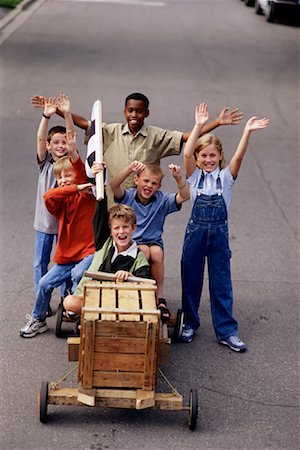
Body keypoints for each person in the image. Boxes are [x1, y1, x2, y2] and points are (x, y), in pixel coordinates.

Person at [31, 93, 244, 207]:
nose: (134, 115)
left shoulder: (156, 136)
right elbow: (86, 124)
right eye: (130, 110)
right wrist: (57, 111)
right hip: (111, 200)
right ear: (124, 111)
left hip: (142, 202)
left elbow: (188, 137)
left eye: (139, 111)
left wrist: (217, 122)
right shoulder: (110, 131)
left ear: (146, 113)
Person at [180, 103, 270, 351]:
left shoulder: (226, 178)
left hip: (218, 236)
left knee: (221, 282)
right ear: (198, 160)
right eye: (204, 156)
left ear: (220, 156)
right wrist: (198, 125)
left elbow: (239, 156)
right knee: (191, 280)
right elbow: (185, 154)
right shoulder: (194, 177)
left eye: (212, 155)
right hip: (195, 235)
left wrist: (247, 132)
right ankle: (189, 323)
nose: (208, 160)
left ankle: (227, 330)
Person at [20, 127, 97, 338]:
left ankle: (75, 308)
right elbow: (48, 197)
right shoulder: (60, 203)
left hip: (87, 253)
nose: (63, 180)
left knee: (78, 273)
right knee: (44, 283)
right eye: (60, 177)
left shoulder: (87, 197)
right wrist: (72, 187)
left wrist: (74, 157)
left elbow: (81, 173)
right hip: (67, 256)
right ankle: (38, 319)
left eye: (67, 176)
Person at [109, 160, 190, 322]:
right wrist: (129, 168)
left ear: (159, 186)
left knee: (156, 252)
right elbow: (114, 186)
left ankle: (159, 298)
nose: (149, 186)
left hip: (153, 242)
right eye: (145, 181)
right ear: (137, 180)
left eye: (154, 183)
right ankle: (139, 292)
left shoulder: (162, 200)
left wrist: (179, 178)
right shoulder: (129, 196)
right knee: (144, 251)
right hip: (132, 242)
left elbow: (185, 196)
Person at [63, 204, 151, 315]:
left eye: (125, 227)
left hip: (119, 302)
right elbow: (99, 214)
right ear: (110, 231)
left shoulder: (139, 256)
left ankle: (94, 317)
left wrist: (130, 276)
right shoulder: (104, 243)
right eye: (116, 228)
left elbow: (146, 283)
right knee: (69, 302)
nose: (121, 231)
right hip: (93, 297)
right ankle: (91, 316)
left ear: (133, 228)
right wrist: (101, 190)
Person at [33, 94, 74, 313]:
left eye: (64, 142)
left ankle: (66, 300)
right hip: (44, 224)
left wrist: (67, 114)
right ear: (49, 146)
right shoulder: (45, 164)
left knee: (65, 262)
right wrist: (46, 116)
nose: (60, 146)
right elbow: (40, 139)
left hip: (64, 225)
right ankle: (43, 301)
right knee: (40, 263)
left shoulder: (70, 165)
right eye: (55, 143)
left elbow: (71, 136)